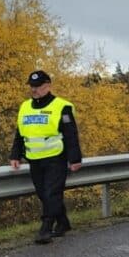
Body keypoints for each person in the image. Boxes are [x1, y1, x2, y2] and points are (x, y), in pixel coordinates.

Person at [9, 70, 83, 244]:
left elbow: (71, 134)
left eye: (38, 86)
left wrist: (75, 158)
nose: (34, 90)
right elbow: (20, 133)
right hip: (34, 158)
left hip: (56, 158)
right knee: (44, 194)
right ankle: (63, 222)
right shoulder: (25, 107)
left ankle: (46, 228)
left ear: (48, 85)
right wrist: (15, 155)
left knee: (51, 193)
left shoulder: (61, 106)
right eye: (32, 86)